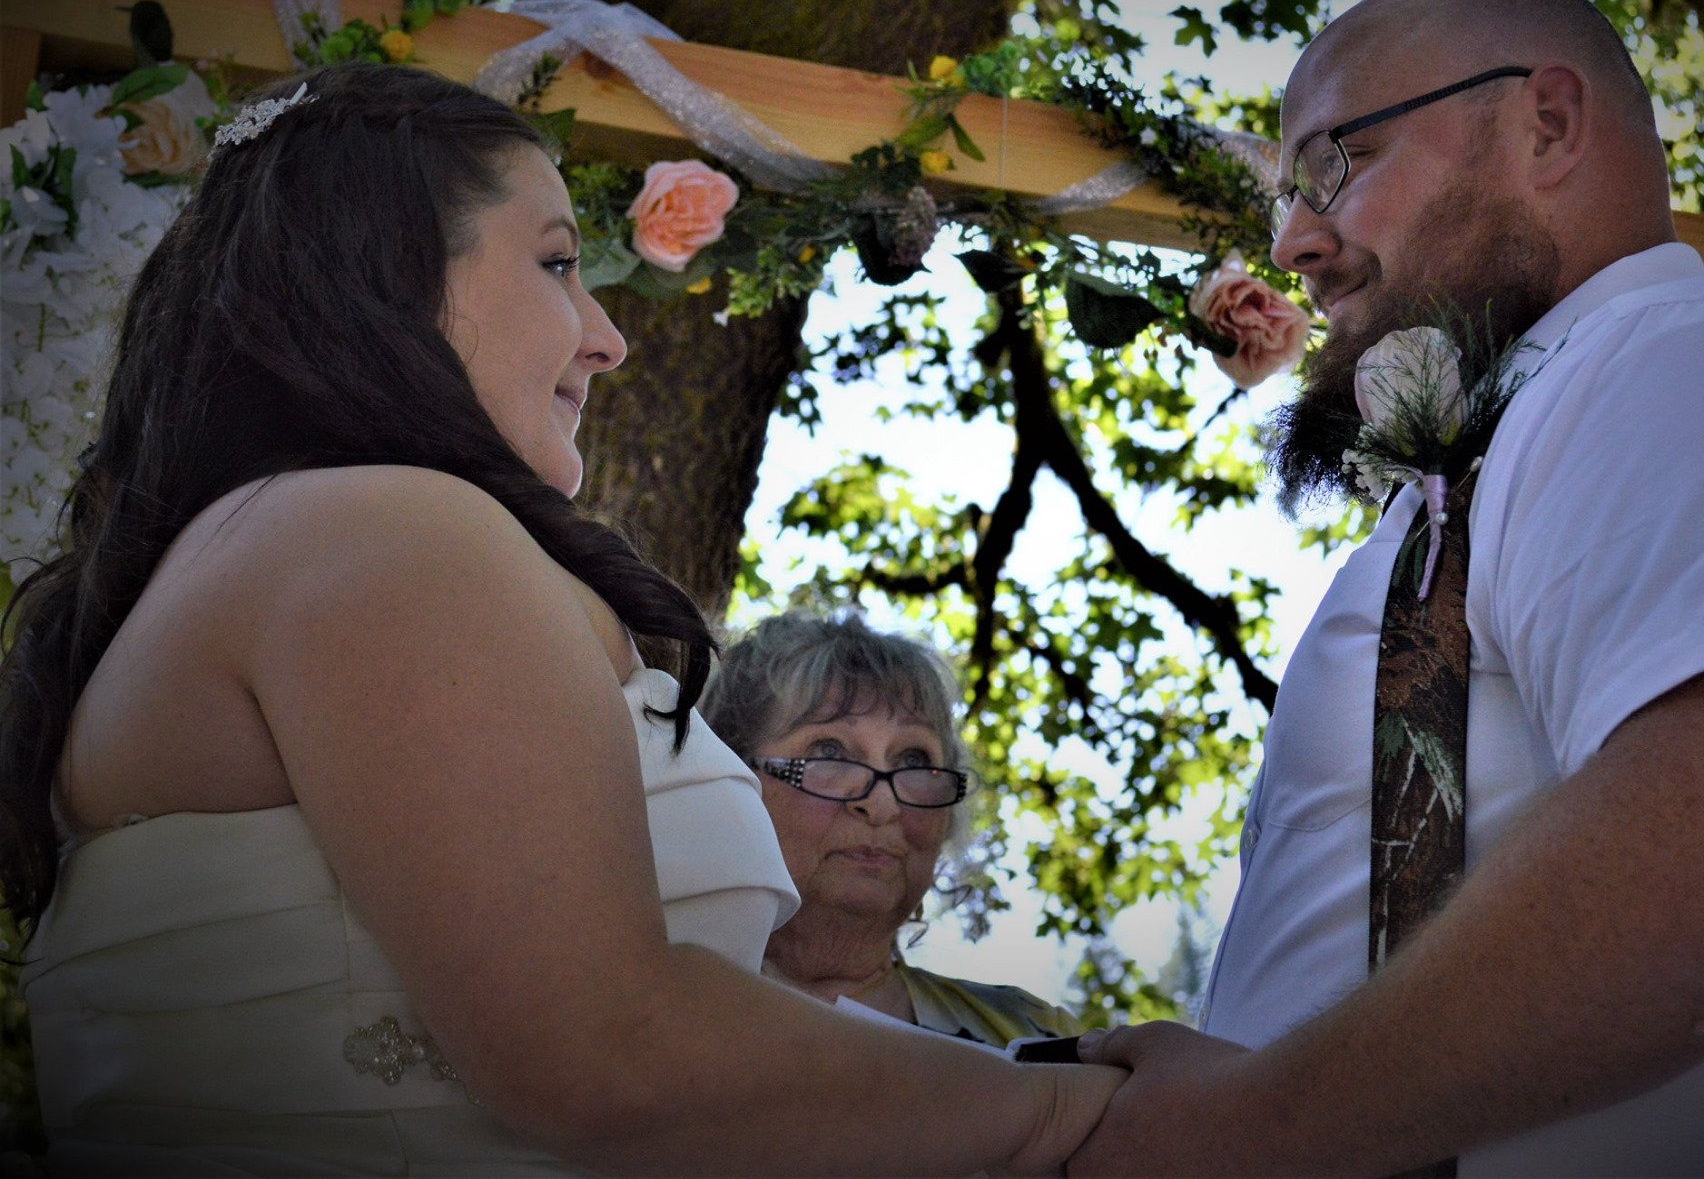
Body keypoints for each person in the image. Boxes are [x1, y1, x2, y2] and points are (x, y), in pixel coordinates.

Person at [1, 62, 1120, 1176]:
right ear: (381, 274)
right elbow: (609, 1051)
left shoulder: (267, 549)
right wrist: (1065, 1116)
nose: (606, 336)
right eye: (554, 262)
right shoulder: (388, 531)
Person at [1071, 0, 1704, 1175]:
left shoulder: (1695, 355)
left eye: (1334, 163)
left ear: (1545, 123)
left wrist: (1244, 1129)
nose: (1293, 242)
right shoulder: (1510, 453)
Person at [700, 611, 1085, 1047]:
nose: (882, 805)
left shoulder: (1042, 1040)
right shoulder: (648, 1012)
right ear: (730, 776)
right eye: (830, 750)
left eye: (914, 761)